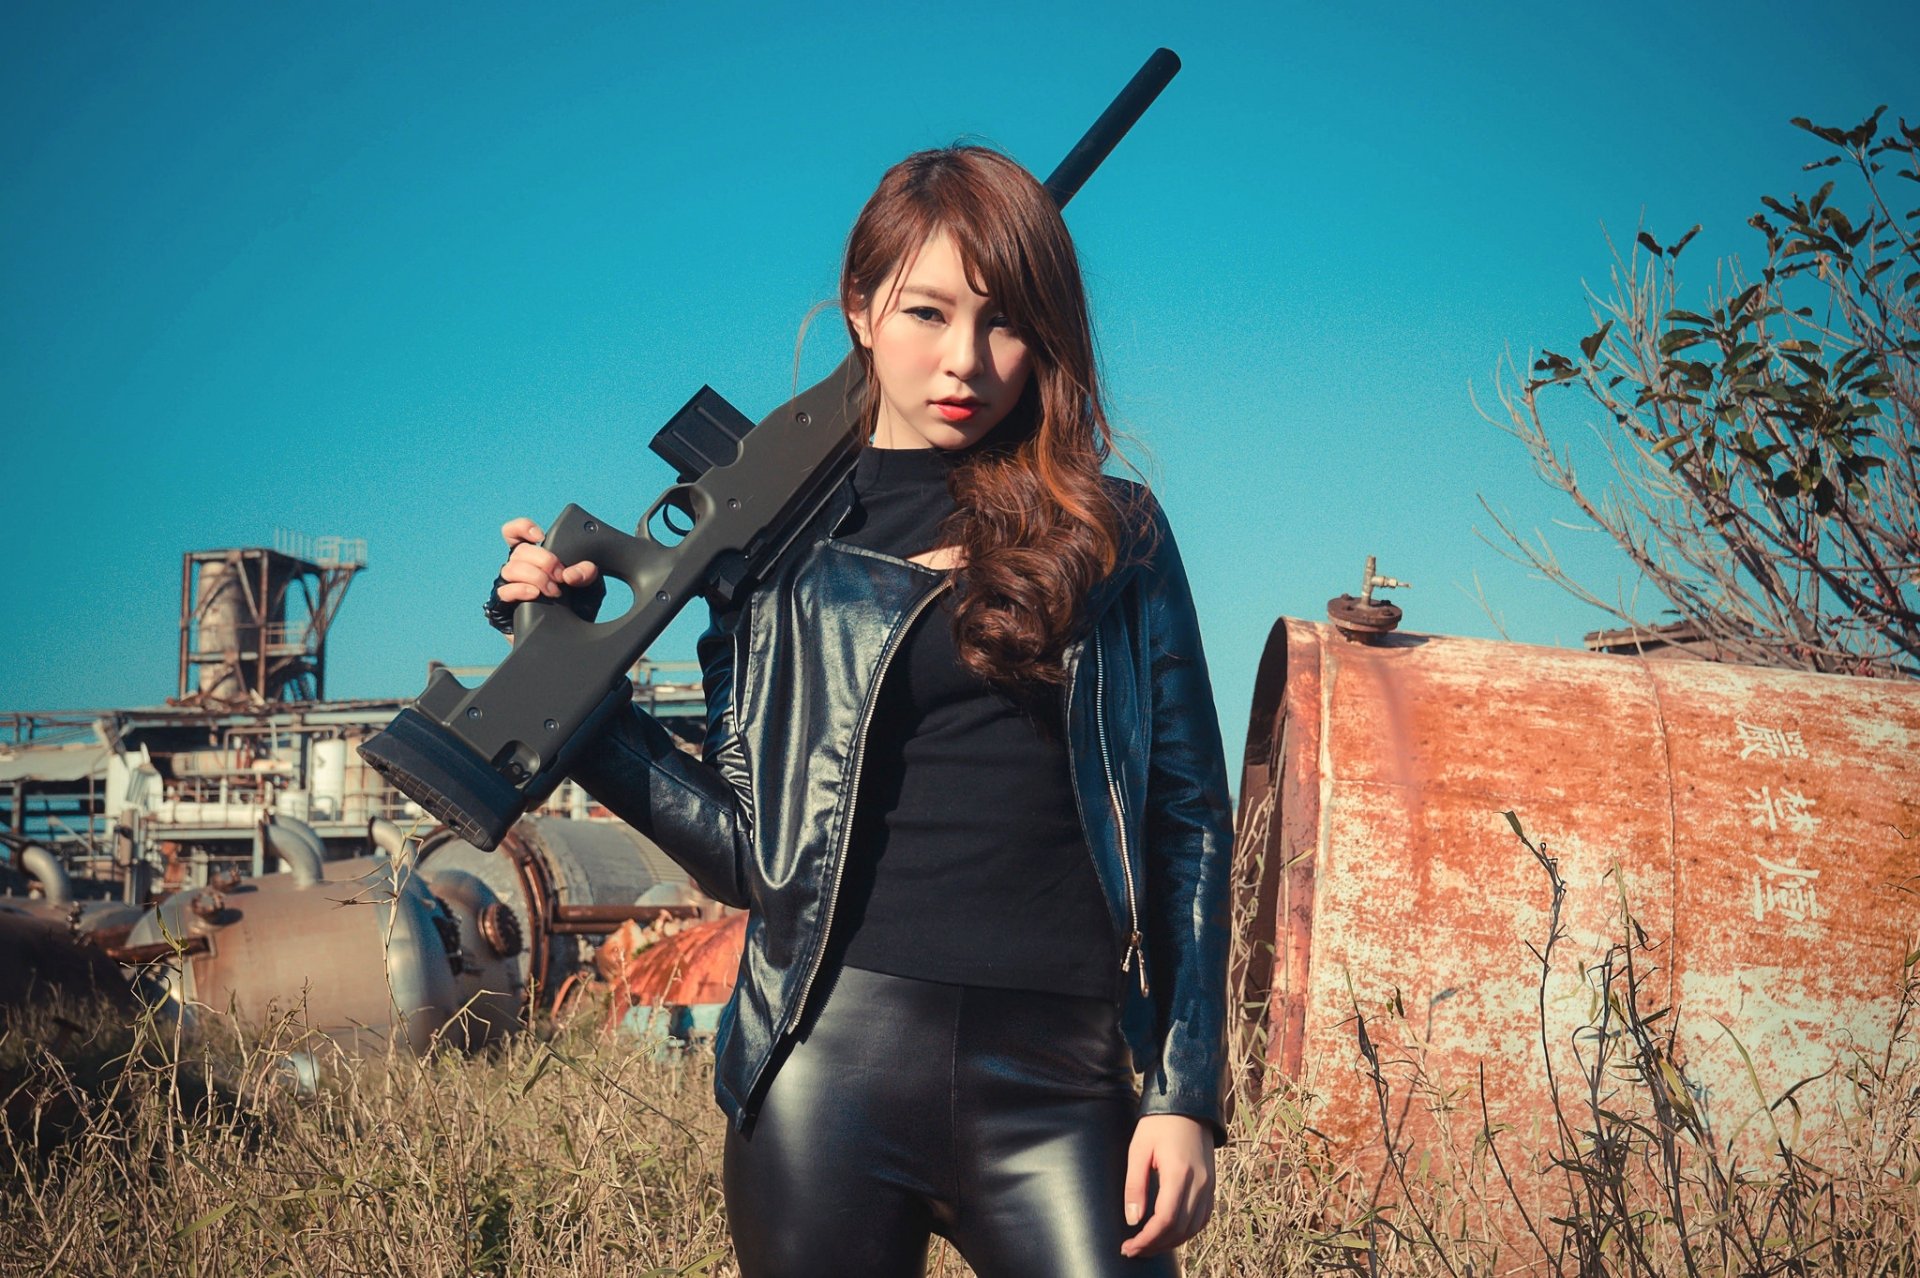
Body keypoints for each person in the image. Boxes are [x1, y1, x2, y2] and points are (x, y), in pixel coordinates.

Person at [488, 145, 1234, 1277]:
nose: (965, 361)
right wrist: (579, 700)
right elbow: (753, 853)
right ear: (860, 308)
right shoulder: (770, 561)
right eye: (926, 312)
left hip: (1064, 1082)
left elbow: (1188, 821)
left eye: (1006, 322)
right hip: (828, 1072)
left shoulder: (1112, 532)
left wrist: (1184, 1094)